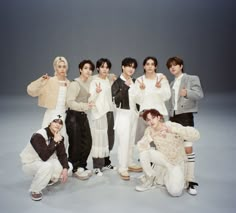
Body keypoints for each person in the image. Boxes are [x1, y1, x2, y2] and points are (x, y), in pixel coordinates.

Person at [135, 109, 200, 197]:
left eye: (153, 118)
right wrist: (152, 137)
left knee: (175, 192)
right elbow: (140, 147)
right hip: (163, 159)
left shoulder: (171, 125)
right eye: (148, 120)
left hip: (176, 162)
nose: (151, 121)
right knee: (144, 153)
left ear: (159, 117)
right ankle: (150, 178)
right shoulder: (149, 130)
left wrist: (172, 130)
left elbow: (196, 135)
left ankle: (169, 176)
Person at [166, 56, 204, 195]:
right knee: (176, 148)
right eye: (170, 66)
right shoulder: (170, 84)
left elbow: (200, 94)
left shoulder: (192, 78)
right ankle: (179, 178)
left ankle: (191, 181)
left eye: (175, 65)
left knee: (188, 148)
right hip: (173, 117)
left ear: (181, 66)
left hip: (186, 116)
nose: (172, 68)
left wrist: (186, 92)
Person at [20, 114, 71, 201]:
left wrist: (65, 169)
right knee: (47, 166)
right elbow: (44, 156)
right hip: (30, 163)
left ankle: (49, 179)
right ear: (49, 123)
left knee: (68, 166)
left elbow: (62, 155)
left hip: (45, 161)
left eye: (60, 123)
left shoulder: (59, 136)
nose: (57, 124)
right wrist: (55, 141)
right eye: (55, 121)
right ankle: (35, 190)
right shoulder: (38, 136)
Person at [27, 56, 70, 150]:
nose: (62, 69)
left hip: (63, 115)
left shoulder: (69, 83)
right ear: (55, 68)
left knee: (63, 139)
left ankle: (61, 160)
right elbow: (31, 90)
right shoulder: (50, 81)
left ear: (67, 67)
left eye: (64, 66)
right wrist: (41, 80)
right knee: (48, 139)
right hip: (51, 114)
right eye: (59, 66)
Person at [112, 57, 142, 180]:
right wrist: (125, 86)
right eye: (129, 66)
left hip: (134, 114)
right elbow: (115, 100)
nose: (131, 69)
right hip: (123, 115)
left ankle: (129, 162)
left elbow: (139, 98)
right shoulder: (117, 83)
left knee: (131, 141)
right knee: (123, 142)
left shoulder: (136, 81)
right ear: (123, 67)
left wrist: (140, 110)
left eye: (133, 67)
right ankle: (122, 167)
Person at [65, 59, 95, 180]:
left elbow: (101, 75)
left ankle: (82, 165)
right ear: (80, 69)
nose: (88, 71)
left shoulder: (90, 80)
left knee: (87, 142)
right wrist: (85, 106)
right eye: (86, 68)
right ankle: (75, 168)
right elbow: (69, 102)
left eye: (90, 69)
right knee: (75, 144)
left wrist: (111, 76)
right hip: (73, 116)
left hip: (82, 116)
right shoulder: (75, 84)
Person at [88, 58, 116, 176]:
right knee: (99, 139)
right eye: (102, 67)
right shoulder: (94, 81)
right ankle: (97, 166)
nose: (105, 69)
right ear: (98, 68)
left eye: (107, 67)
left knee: (109, 138)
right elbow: (90, 98)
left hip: (109, 111)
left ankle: (106, 162)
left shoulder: (108, 80)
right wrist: (97, 92)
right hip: (99, 113)